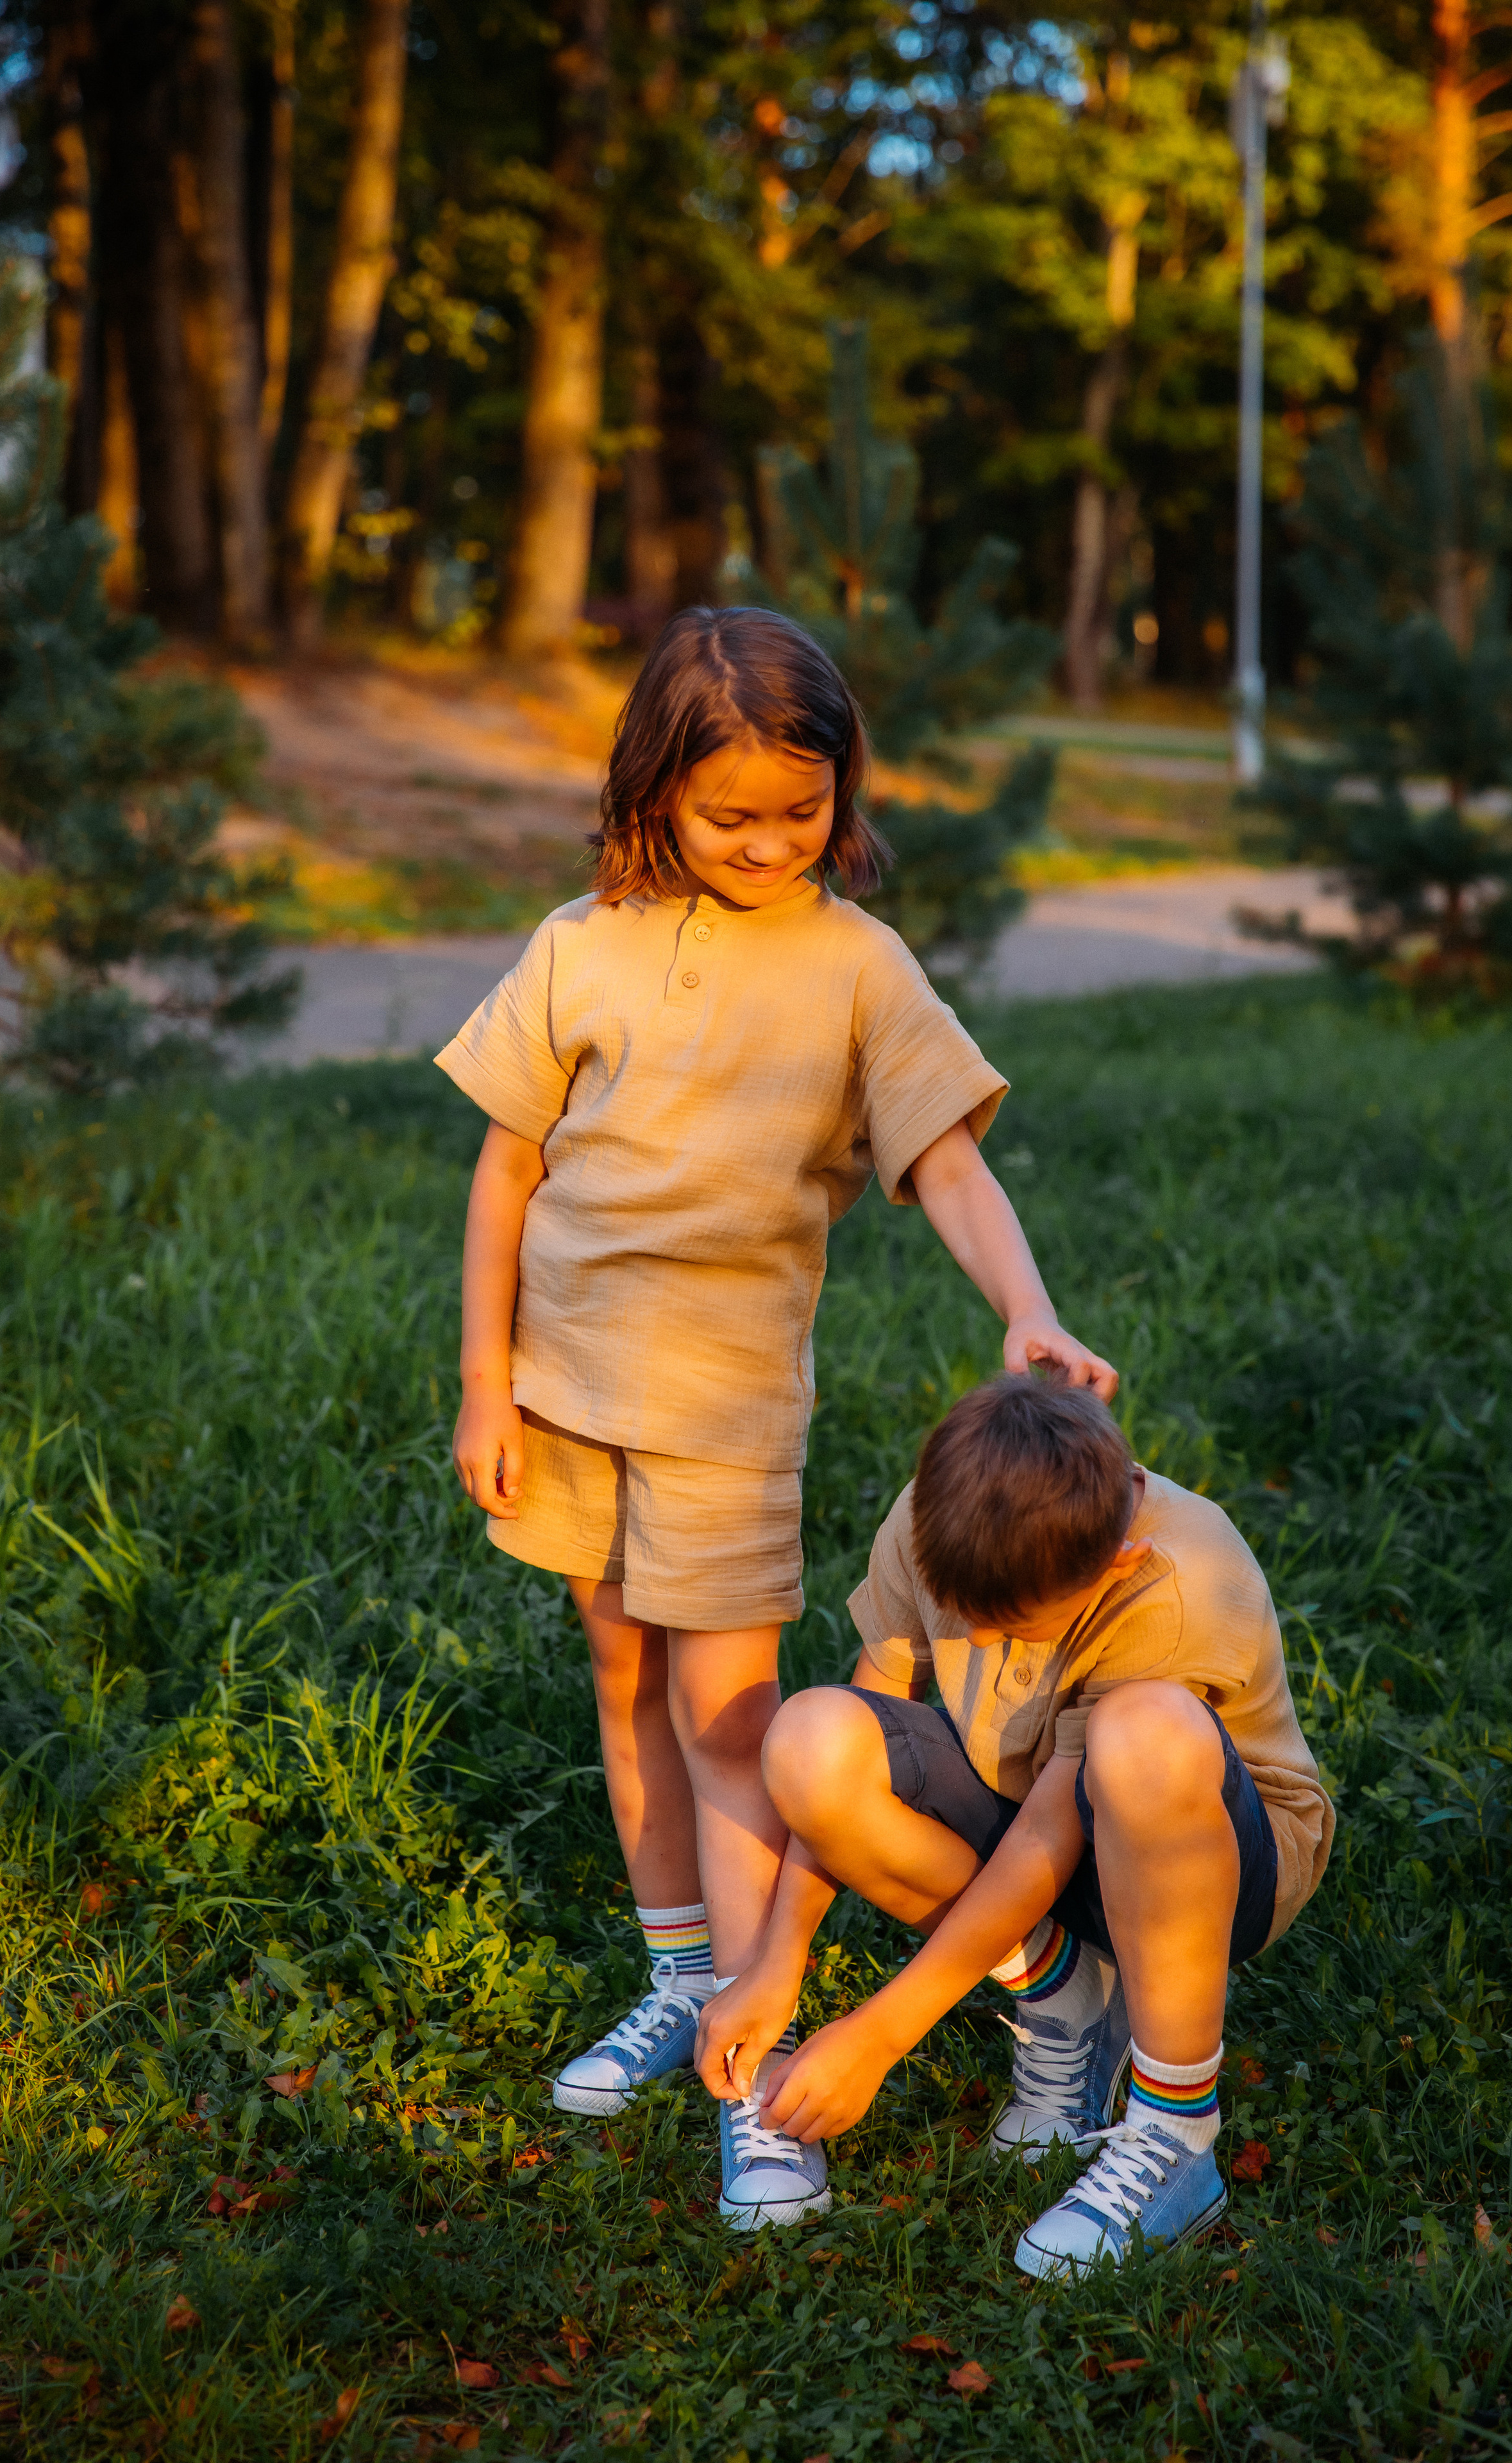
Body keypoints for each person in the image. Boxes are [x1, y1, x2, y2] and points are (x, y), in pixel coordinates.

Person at [437, 607, 1116, 2230]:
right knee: (621, 1680)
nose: (763, 842)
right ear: (652, 790)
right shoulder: (577, 943)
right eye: (726, 813)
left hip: (725, 1414)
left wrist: (1022, 1303)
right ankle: (681, 1975)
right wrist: (482, 1381)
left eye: (797, 813)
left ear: (840, 794)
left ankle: (755, 2046)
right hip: (564, 1390)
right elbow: (505, 1171)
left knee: (730, 1722)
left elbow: (946, 1156)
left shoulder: (855, 969)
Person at [697, 1373, 1334, 2271]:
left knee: (1141, 1733)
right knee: (811, 1738)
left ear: (1114, 1558)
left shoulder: (1176, 1576)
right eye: (972, 1625)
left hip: (1204, 1864)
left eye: (1015, 1630)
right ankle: (1069, 1997)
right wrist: (777, 1964)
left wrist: (880, 2033)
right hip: (1032, 1811)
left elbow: (1048, 1836)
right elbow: (855, 1738)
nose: (988, 1654)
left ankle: (1175, 2131)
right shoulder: (943, 1514)